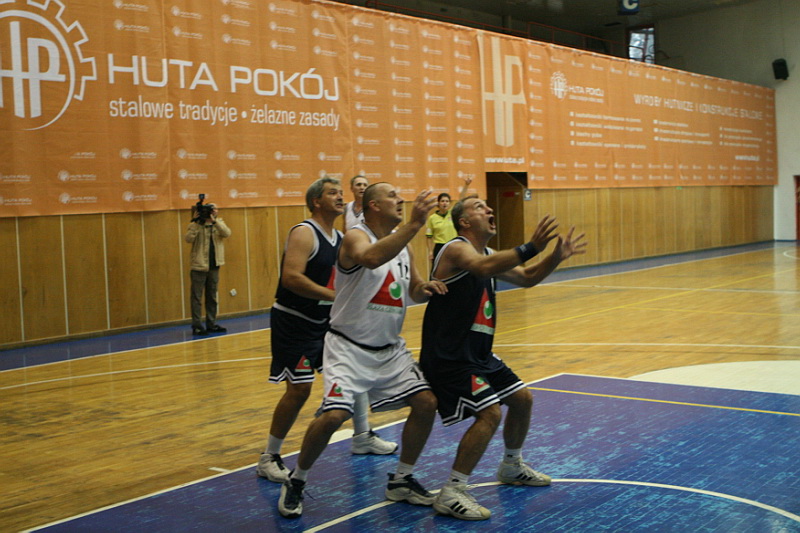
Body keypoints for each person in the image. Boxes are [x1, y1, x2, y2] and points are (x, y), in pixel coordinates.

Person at [277, 184, 446, 519]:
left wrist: (425, 288)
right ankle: (297, 479)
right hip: (348, 347)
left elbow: (413, 289)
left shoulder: (403, 245)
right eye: (392, 196)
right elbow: (370, 259)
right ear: (373, 206)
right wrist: (415, 224)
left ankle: (401, 479)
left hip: (390, 349)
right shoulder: (356, 236)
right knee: (333, 417)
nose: (400, 199)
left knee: (426, 403)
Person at [420, 196, 586, 520]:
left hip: (478, 353)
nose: (490, 210)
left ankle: (511, 465)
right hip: (451, 356)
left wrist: (555, 256)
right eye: (480, 207)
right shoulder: (454, 249)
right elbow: (482, 268)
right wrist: (531, 246)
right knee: (490, 413)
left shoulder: (488, 255)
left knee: (522, 400)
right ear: (464, 221)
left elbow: (527, 277)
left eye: (488, 206)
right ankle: (452, 491)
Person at [257, 177, 396, 484]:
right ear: (315, 201)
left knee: (356, 375)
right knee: (299, 390)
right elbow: (291, 278)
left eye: (340, 193)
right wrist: (335, 295)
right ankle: (269, 457)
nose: (340, 197)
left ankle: (362, 436)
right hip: (294, 321)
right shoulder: (304, 232)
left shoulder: (341, 236)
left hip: (325, 323)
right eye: (332, 193)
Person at [185, 202, 231, 335]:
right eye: (211, 209)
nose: (213, 211)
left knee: (212, 296)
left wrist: (214, 221)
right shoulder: (195, 224)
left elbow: (227, 233)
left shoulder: (219, 223)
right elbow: (188, 239)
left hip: (214, 265)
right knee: (196, 297)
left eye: (214, 209)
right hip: (199, 266)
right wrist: (196, 223)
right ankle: (197, 325)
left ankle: (211, 323)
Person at [425, 176, 472, 264]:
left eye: (447, 201)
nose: (445, 203)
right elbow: (428, 237)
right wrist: (430, 251)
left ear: (449, 203)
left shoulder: (453, 213)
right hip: (440, 247)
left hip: (453, 244)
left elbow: (461, 200)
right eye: (442, 201)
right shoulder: (432, 218)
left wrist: (466, 185)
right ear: (438, 203)